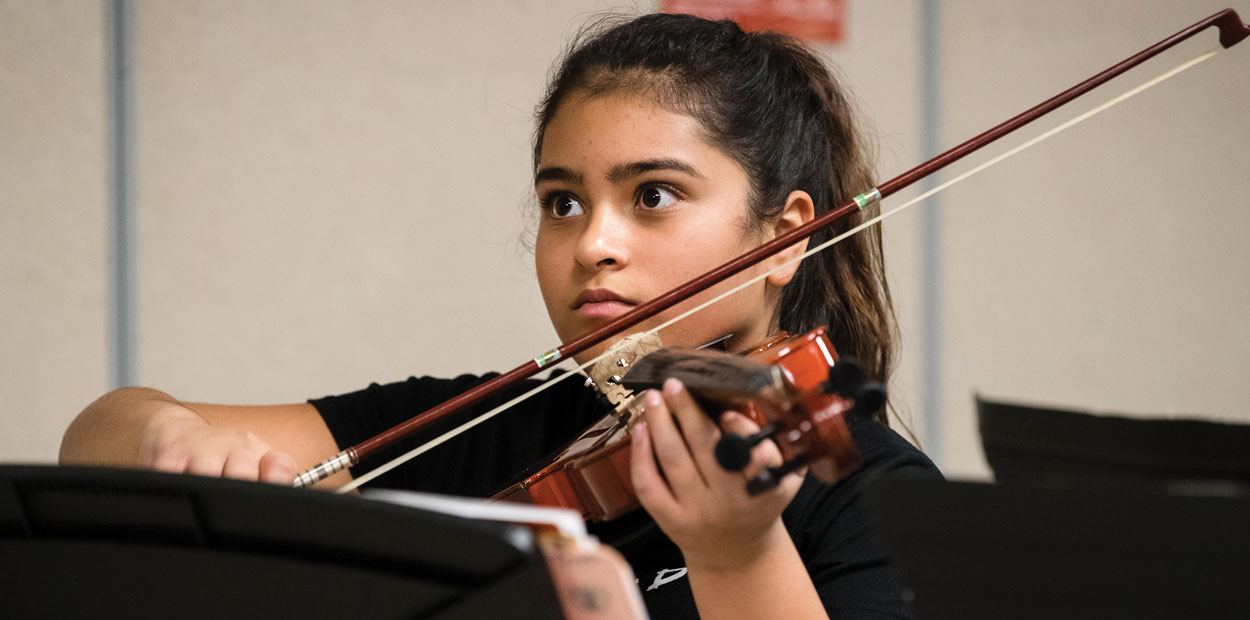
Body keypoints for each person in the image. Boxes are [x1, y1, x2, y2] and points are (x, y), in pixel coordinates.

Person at [61, 13, 939, 620]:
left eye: (654, 195)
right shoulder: (504, 422)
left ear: (785, 239)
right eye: (563, 202)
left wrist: (736, 557)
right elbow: (97, 437)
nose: (593, 243)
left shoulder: (873, 495)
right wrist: (161, 440)